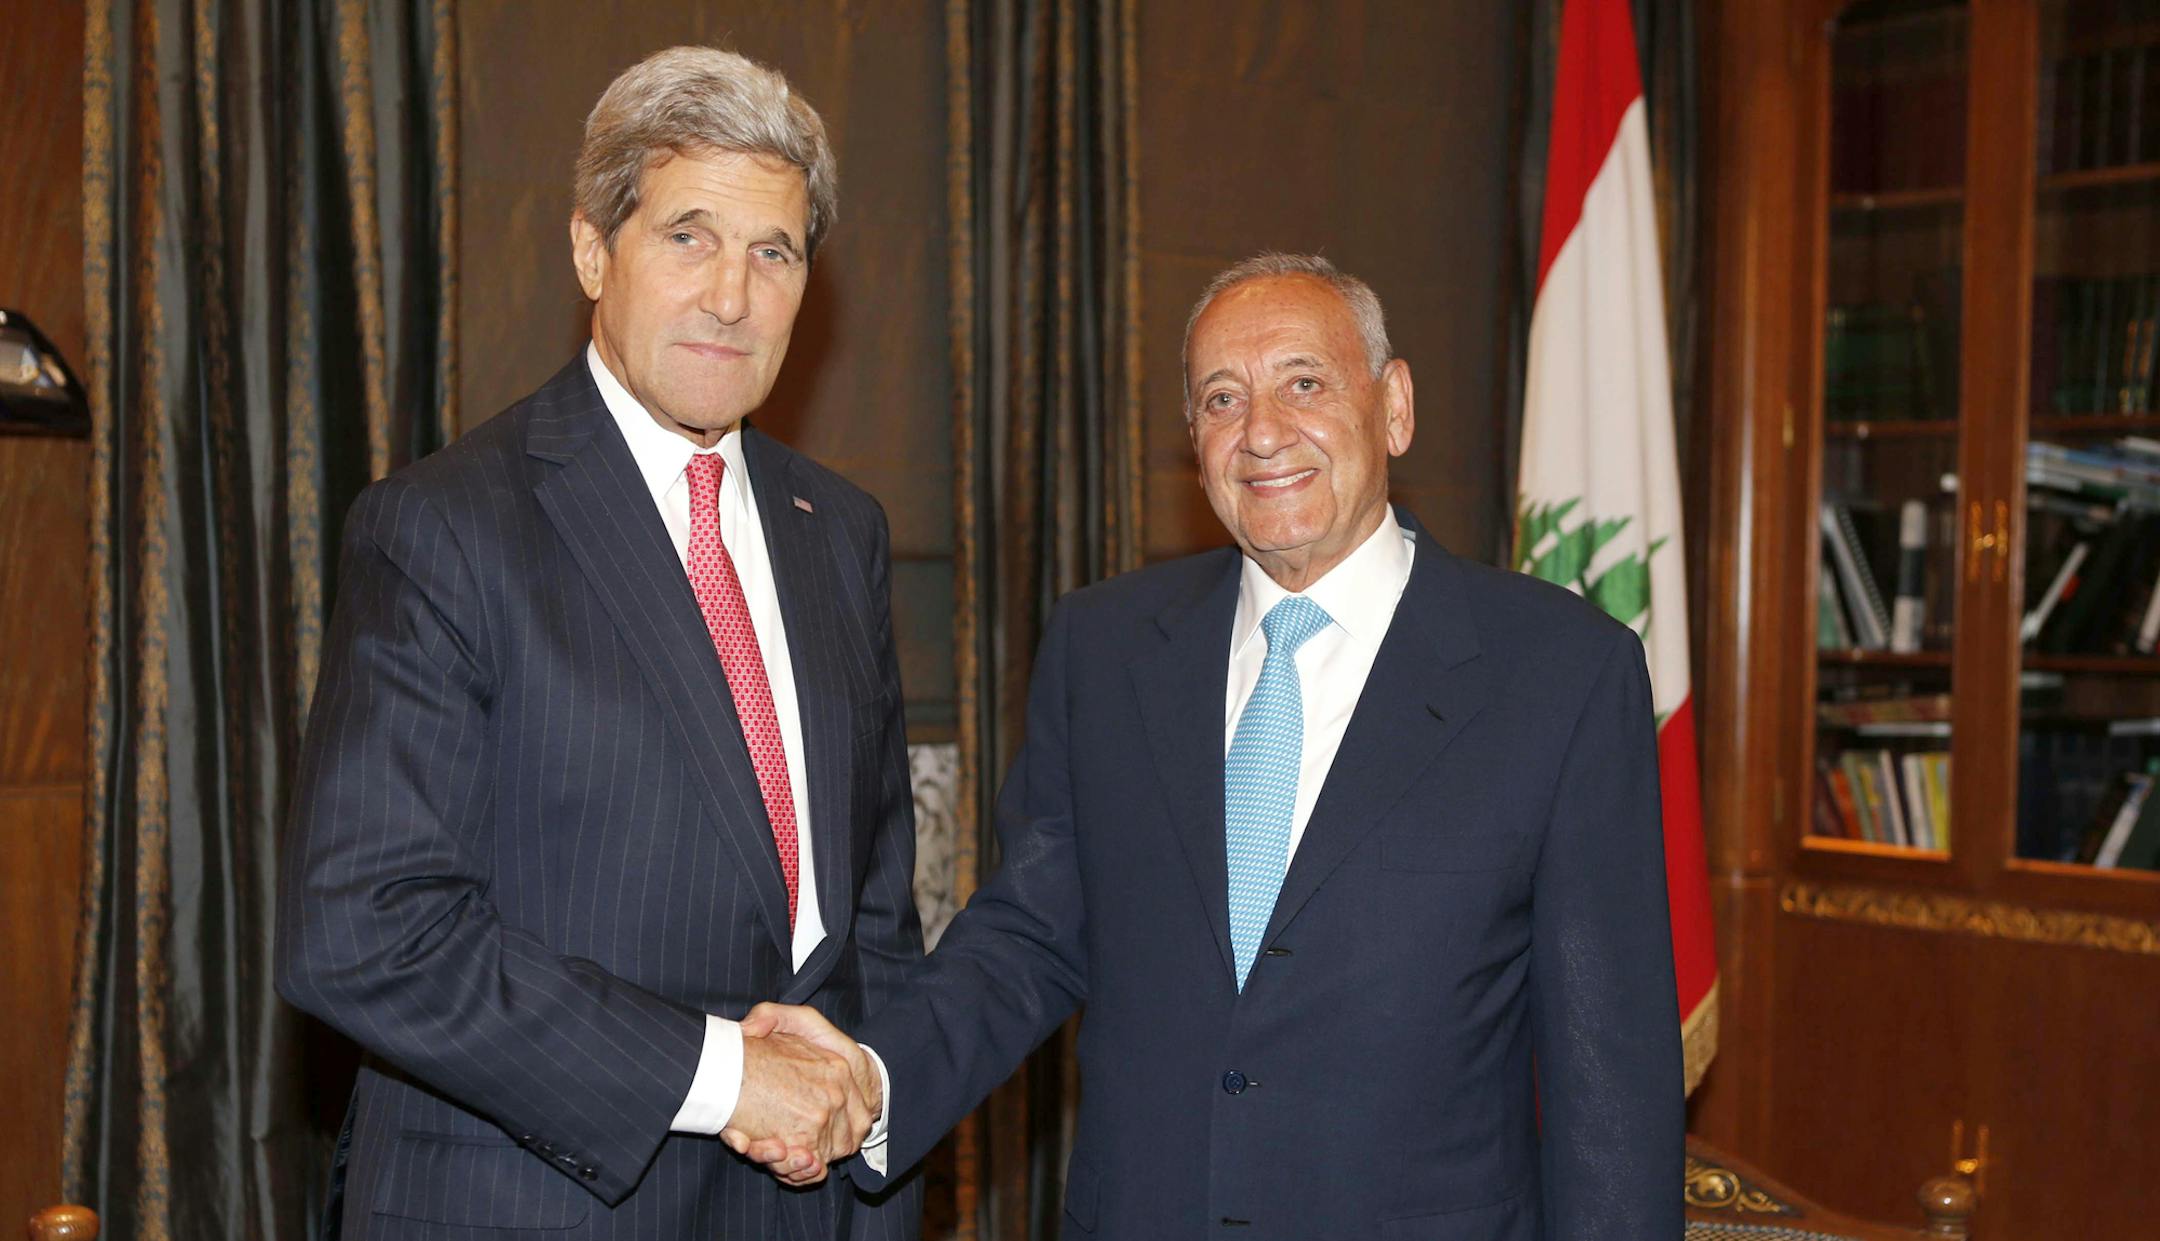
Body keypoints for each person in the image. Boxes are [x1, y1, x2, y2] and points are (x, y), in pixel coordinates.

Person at [750, 253, 1683, 1237]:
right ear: (1193, 441)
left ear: (1395, 405)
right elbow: (1029, 933)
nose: (1264, 432)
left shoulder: (1560, 674)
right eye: (1222, 399)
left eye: (1305, 383)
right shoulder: (1103, 648)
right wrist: (871, 1072)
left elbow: (1609, 1077)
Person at [275, 46, 919, 1239]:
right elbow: (365, 929)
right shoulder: (445, 525)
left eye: (773, 252)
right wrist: (725, 1074)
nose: (731, 293)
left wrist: (868, 1112)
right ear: (590, 250)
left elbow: (872, 914)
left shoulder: (843, 533)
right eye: (688, 236)